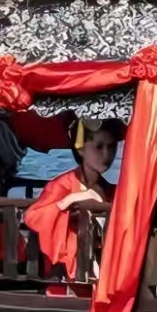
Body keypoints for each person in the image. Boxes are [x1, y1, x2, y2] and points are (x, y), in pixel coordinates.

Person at [24, 118, 120, 284]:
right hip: (68, 266)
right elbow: (34, 216)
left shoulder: (111, 189)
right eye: (99, 147)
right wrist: (71, 199)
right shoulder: (62, 185)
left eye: (111, 147)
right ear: (81, 149)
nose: (106, 154)